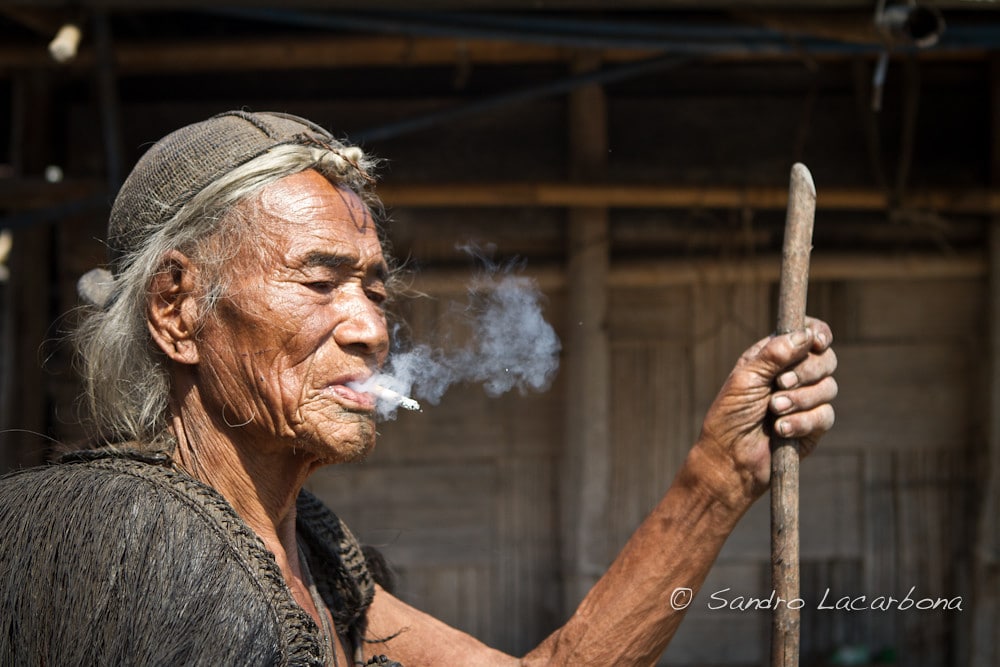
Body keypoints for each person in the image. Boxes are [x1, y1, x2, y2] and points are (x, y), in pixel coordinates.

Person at [0, 110, 837, 666]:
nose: (369, 327)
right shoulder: (134, 544)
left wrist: (721, 473)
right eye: (321, 282)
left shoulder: (322, 561)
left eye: (373, 288)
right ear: (179, 309)